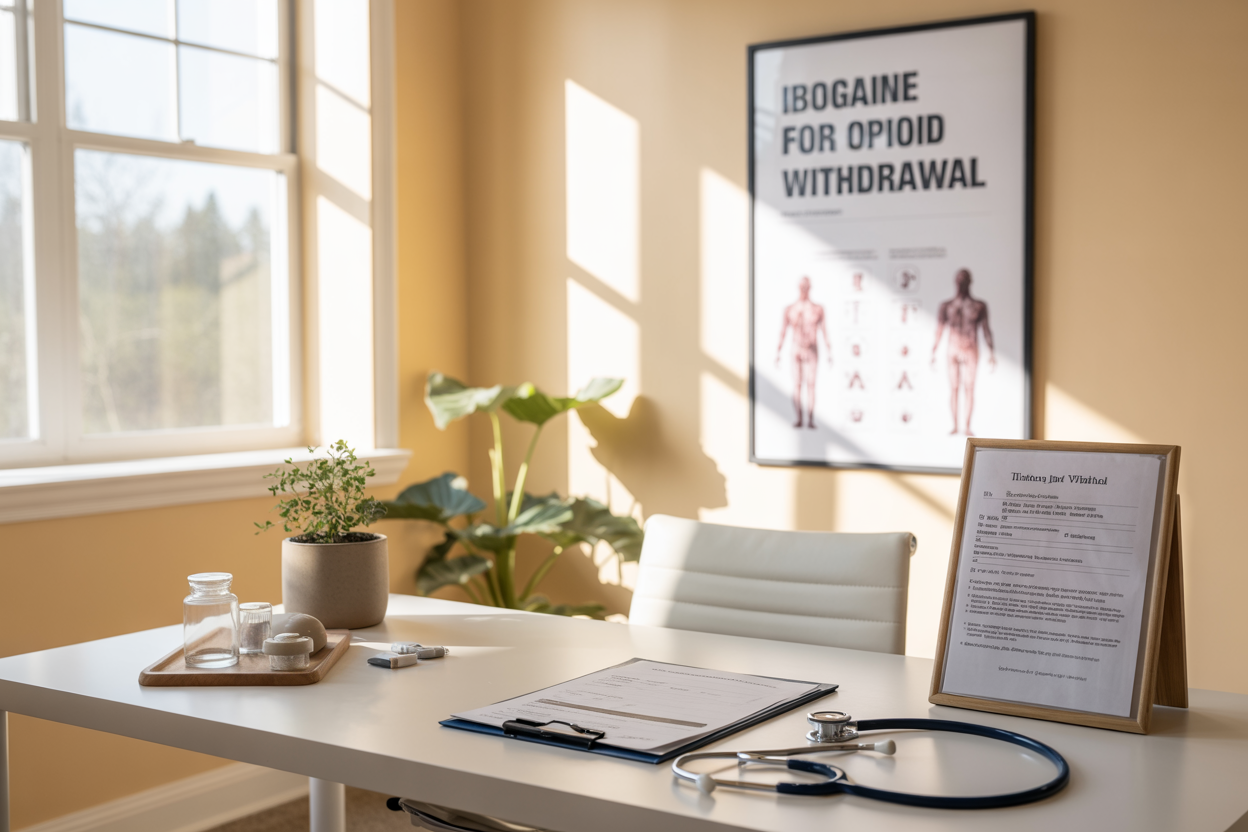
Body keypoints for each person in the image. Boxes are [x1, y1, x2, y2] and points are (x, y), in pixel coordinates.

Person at [930, 268, 995, 435]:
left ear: (969, 282)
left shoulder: (979, 306)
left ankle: (966, 426)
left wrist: (992, 352)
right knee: (954, 387)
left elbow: (986, 330)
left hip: (970, 347)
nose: (961, 284)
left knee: (969, 388)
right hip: (953, 347)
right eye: (959, 280)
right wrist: (933, 350)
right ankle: (955, 425)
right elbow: (939, 329)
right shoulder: (947, 306)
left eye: (964, 280)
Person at [776, 276, 832, 428]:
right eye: (802, 286)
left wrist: (829, 350)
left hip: (812, 348)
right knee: (797, 384)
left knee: (811, 384)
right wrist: (778, 351)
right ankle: (799, 419)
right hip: (796, 348)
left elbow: (824, 331)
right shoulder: (790, 309)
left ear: (810, 287)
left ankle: (811, 419)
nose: (804, 289)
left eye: (806, 286)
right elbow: (783, 331)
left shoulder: (817, 309)